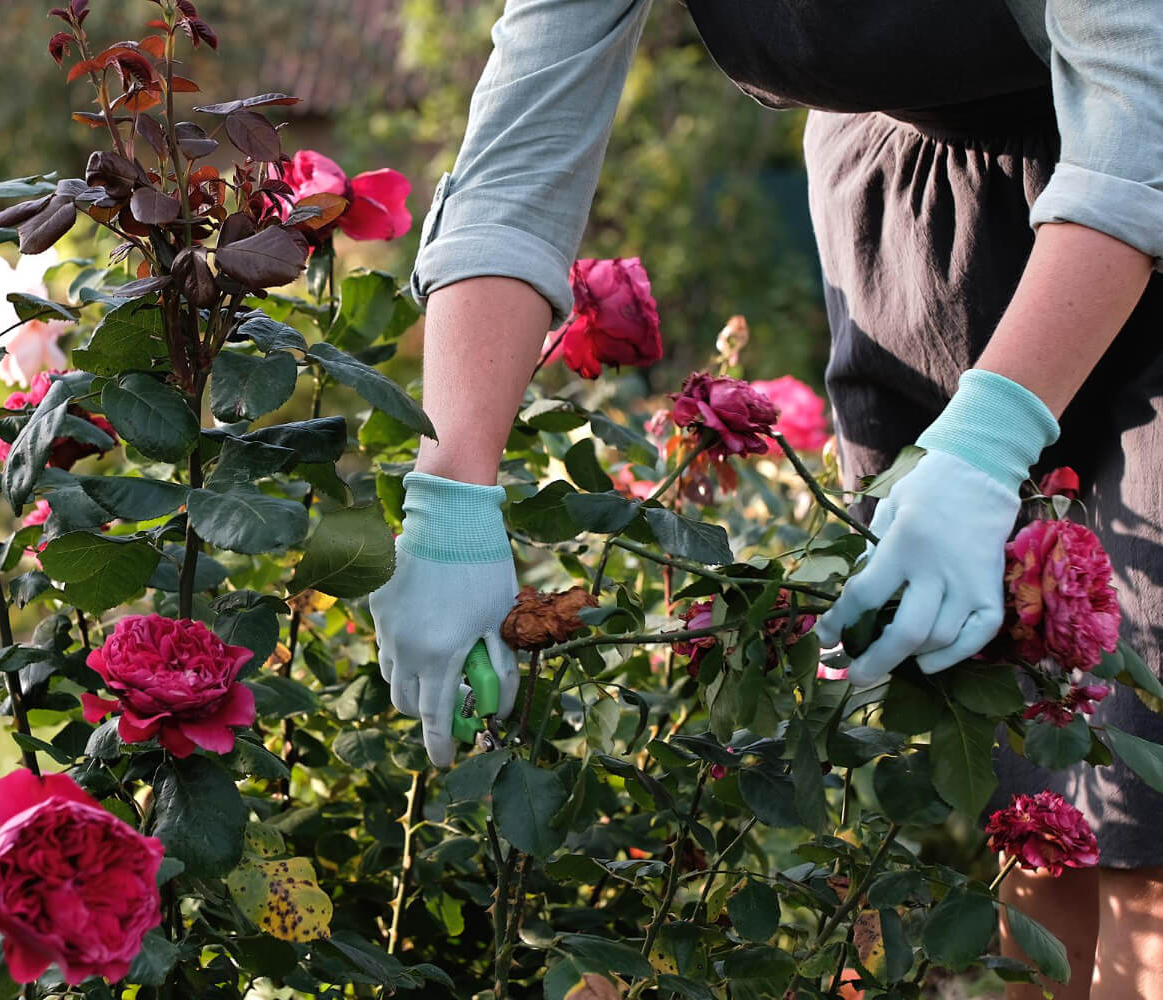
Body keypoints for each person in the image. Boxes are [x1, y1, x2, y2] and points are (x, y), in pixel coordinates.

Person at [365, 1, 1163, 997]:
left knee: (1146, 804)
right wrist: (449, 497)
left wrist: (986, 444)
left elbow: (1140, 107)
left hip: (1137, 173)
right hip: (910, 212)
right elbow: (523, 150)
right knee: (1035, 797)